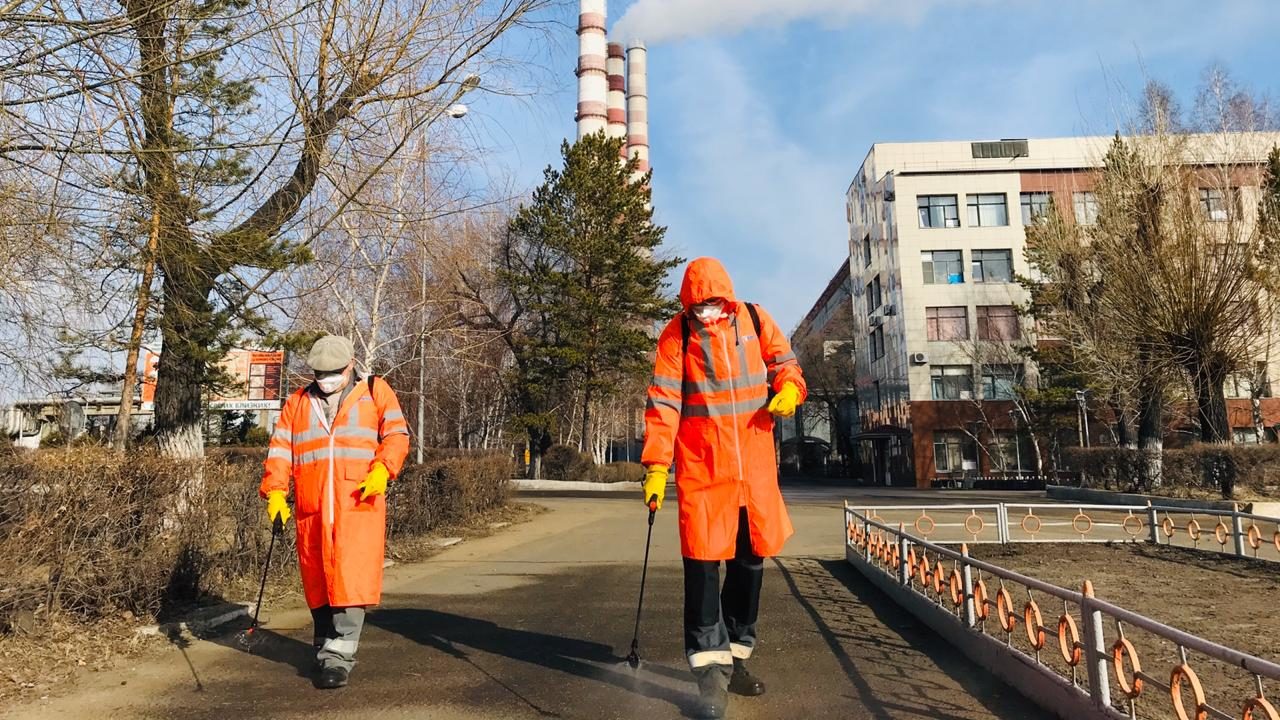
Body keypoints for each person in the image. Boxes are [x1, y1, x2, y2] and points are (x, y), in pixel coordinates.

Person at [641, 257, 806, 719]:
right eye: (698, 306)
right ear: (688, 305)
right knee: (702, 574)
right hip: (702, 473)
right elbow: (664, 403)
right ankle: (709, 682)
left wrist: (790, 389)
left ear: (726, 299)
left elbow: (786, 365)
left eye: (713, 304)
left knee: (749, 567)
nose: (706, 312)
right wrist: (657, 465)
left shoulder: (755, 319)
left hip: (752, 472)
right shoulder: (678, 335)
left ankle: (736, 662)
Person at [260, 335, 410, 689]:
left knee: (349, 582)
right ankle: (324, 644)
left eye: (332, 372)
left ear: (350, 365)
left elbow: (397, 434)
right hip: (313, 510)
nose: (325, 378)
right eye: (319, 372)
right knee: (318, 583)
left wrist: (382, 469)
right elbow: (280, 450)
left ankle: (337, 659)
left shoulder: (375, 391)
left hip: (357, 505)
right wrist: (276, 493)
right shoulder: (298, 402)